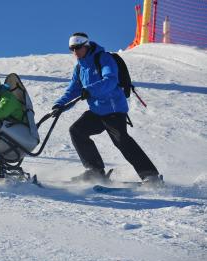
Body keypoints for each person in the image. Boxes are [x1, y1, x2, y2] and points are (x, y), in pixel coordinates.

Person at [52, 32, 162, 184]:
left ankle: (151, 176)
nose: (75, 52)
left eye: (78, 48)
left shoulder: (104, 58)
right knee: (77, 131)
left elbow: (110, 80)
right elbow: (73, 90)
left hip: (114, 109)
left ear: (86, 46)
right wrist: (59, 105)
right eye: (72, 49)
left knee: (121, 141)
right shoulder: (79, 68)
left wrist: (89, 90)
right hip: (97, 111)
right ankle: (95, 171)